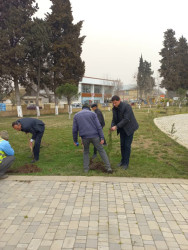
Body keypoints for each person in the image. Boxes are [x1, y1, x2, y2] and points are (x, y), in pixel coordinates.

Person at [72, 104, 112, 173]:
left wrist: (75, 141)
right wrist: (102, 137)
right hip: (95, 136)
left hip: (84, 137)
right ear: (89, 109)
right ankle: (108, 167)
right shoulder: (93, 114)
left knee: (86, 152)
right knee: (101, 150)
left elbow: (74, 130)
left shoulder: (76, 115)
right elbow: (99, 126)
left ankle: (86, 169)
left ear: (82, 109)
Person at [111, 95, 139, 169]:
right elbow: (114, 119)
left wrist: (116, 126)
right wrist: (112, 125)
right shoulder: (114, 109)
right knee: (122, 145)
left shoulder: (127, 107)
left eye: (115, 102)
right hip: (122, 129)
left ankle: (126, 163)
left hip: (129, 128)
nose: (114, 104)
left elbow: (126, 119)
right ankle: (122, 161)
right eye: (113, 103)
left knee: (127, 146)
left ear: (119, 100)